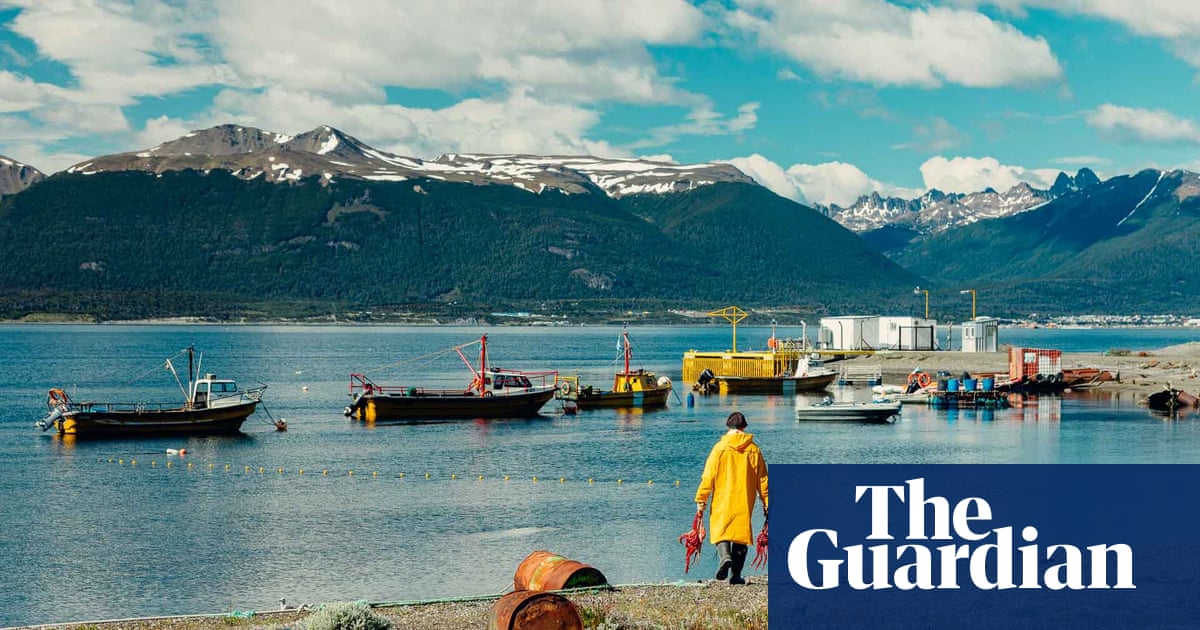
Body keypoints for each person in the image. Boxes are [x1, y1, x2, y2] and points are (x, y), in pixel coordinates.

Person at [694, 411, 768, 585]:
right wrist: (767, 503)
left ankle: (725, 556)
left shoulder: (719, 449)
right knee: (741, 537)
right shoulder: (754, 450)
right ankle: (735, 576)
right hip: (744, 500)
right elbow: (763, 480)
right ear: (744, 428)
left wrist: (701, 499)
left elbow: (708, 476)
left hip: (722, 499)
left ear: (728, 427)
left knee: (721, 530)